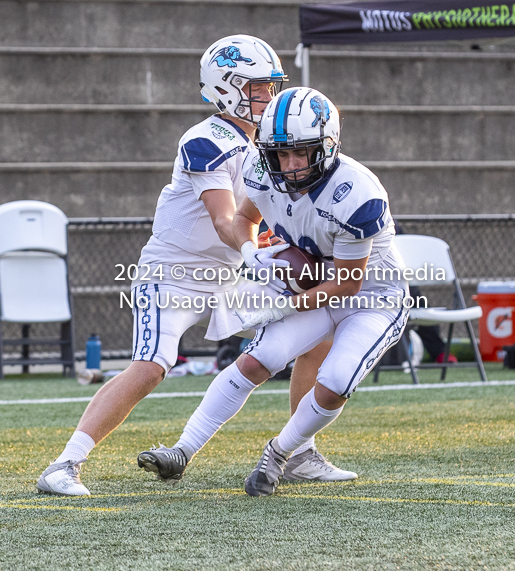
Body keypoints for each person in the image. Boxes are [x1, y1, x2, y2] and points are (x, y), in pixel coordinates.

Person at [36, 35, 352, 496]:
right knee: (151, 366)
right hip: (175, 273)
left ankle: (299, 452)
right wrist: (254, 255)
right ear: (226, 88)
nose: (268, 96)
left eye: (271, 86)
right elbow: (225, 218)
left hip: (230, 275)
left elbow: (269, 218)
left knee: (317, 333)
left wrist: (282, 251)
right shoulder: (205, 138)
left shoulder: (271, 143)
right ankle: (63, 465)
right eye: (257, 87)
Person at [137, 87, 408, 496]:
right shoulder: (263, 172)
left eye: (301, 152)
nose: (291, 164)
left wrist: (278, 308)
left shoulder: (356, 194)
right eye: (281, 153)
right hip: (319, 284)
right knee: (256, 361)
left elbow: (346, 283)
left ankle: (280, 454)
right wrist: (251, 253)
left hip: (371, 298)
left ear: (328, 144)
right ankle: (182, 450)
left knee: (334, 382)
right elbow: (244, 217)